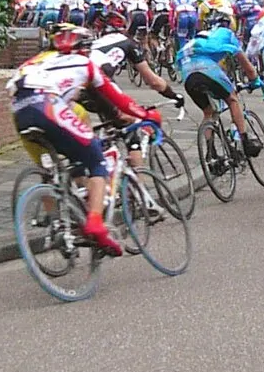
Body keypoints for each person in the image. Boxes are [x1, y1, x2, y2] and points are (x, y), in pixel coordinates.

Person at [8, 24, 160, 253]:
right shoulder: (85, 64)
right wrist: (147, 115)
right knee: (97, 160)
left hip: (20, 113)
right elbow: (119, 101)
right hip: (49, 107)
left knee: (56, 168)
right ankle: (96, 225)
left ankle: (64, 220)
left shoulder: (38, 62)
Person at [177, 24, 263, 157]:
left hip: (188, 75)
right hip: (206, 68)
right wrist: (255, 80)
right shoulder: (227, 35)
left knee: (208, 112)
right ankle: (246, 142)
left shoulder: (195, 42)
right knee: (232, 99)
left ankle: (211, 153)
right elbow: (247, 65)